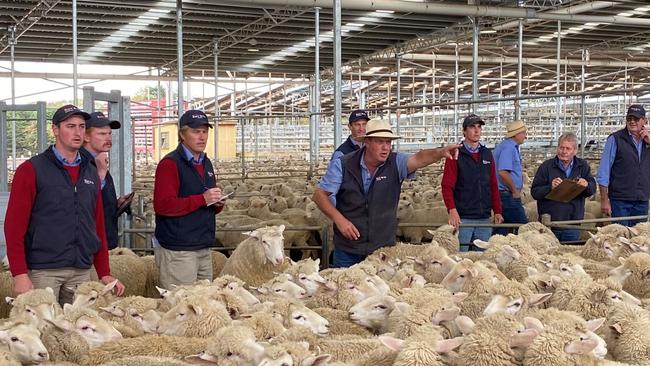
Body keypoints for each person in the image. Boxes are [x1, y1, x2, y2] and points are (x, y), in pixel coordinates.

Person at [4, 104, 124, 303]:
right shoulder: (32, 169)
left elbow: (97, 224)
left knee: (79, 329)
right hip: (44, 270)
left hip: (82, 270)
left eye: (82, 126)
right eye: (70, 126)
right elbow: (14, 226)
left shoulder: (90, 171)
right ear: (55, 130)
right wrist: (20, 273)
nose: (77, 132)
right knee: (42, 328)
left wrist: (104, 272)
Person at [312, 119, 460, 268]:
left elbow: (419, 158)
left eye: (388, 142)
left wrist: (440, 152)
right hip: (348, 249)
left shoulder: (395, 163)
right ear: (367, 142)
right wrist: (339, 220)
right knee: (347, 287)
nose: (385, 147)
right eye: (379, 142)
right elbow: (320, 195)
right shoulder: (343, 164)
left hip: (383, 250)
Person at [153, 109, 224, 289]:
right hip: (179, 250)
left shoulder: (205, 163)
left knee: (204, 304)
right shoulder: (170, 164)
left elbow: (204, 199)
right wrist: (202, 199)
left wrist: (216, 203)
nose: (202, 137)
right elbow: (163, 205)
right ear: (182, 135)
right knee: (181, 307)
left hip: (203, 246)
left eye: (204, 131)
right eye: (195, 131)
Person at [441, 114, 503, 251]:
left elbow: (493, 182)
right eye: (472, 127)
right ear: (464, 131)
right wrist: (452, 210)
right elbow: (447, 185)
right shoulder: (456, 154)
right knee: (460, 257)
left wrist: (497, 210)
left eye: (479, 127)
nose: (476, 130)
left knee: (482, 259)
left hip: (484, 217)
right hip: (463, 217)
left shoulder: (487, 154)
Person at [531, 132, 596, 242]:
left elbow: (592, 189)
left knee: (569, 254)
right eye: (561, 147)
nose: (564, 151)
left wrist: (586, 185)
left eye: (568, 148)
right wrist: (550, 187)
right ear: (557, 148)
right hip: (550, 224)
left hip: (572, 223)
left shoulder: (582, 166)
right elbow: (534, 192)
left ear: (575, 151)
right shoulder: (546, 167)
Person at [82, 111, 131, 250]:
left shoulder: (98, 162)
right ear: (86, 136)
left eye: (109, 133)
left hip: (104, 240)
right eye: (102, 134)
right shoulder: (81, 163)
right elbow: (82, 202)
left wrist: (116, 204)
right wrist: (101, 174)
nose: (108, 138)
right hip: (91, 244)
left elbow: (97, 201)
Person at [597, 104, 650, 227]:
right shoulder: (615, 139)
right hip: (620, 200)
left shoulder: (647, 141)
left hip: (641, 200)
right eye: (629, 118)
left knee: (639, 239)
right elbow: (603, 171)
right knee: (621, 238)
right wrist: (604, 200)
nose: (632, 122)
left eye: (636, 119)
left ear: (644, 120)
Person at [493, 120, 529, 235]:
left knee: (503, 227)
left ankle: (496, 248)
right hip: (507, 194)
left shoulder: (508, 146)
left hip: (503, 194)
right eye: (523, 133)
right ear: (516, 134)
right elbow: (503, 172)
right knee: (524, 227)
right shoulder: (509, 148)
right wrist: (514, 191)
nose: (525, 136)